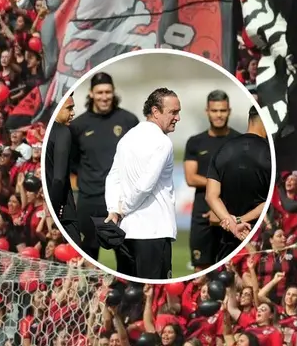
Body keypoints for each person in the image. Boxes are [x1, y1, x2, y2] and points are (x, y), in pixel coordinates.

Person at [104, 87, 181, 280]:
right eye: (174, 112)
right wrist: (123, 209)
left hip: (126, 233)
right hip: (154, 233)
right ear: (155, 111)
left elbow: (113, 177)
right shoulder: (163, 142)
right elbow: (145, 185)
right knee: (152, 295)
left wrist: (114, 210)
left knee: (128, 296)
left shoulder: (127, 138)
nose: (178, 118)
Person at [68, 72, 139, 260]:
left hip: (121, 202)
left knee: (127, 258)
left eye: (108, 92)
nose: (104, 97)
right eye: (99, 92)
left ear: (113, 92)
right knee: (88, 259)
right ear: (91, 93)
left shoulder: (129, 121)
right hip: (90, 201)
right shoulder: (77, 126)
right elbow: (72, 162)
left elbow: (138, 158)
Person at [205, 106, 271, 263]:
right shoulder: (270, 153)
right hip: (259, 240)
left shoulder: (223, 149)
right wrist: (240, 221)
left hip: (226, 243)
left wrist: (232, 223)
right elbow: (268, 203)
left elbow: (211, 196)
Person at [183, 90, 240, 271]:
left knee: (232, 267)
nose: (219, 115)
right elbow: (191, 178)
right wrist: (217, 187)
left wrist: (221, 208)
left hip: (232, 210)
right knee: (201, 267)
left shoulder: (239, 140)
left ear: (229, 111)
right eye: (215, 111)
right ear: (207, 111)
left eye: (222, 111)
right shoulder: (195, 142)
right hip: (202, 213)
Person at [44, 94, 77, 238]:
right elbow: (58, 178)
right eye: (69, 108)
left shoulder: (45, 132)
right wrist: (55, 210)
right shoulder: (63, 132)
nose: (73, 113)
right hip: (63, 210)